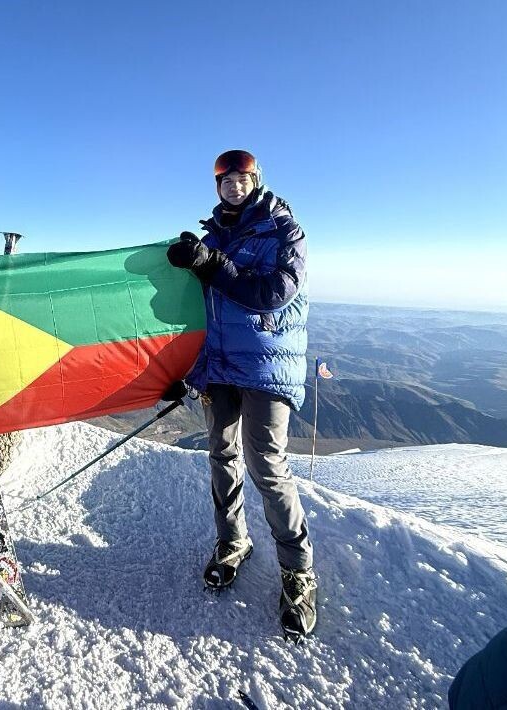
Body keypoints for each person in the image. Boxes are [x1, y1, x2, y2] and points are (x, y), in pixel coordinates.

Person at [166, 149, 316, 639]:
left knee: (267, 465)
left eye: (241, 178)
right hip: (220, 366)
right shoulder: (210, 237)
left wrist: (212, 264)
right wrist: (185, 369)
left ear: (256, 181)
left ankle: (298, 571)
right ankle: (233, 541)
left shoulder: (283, 230)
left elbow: (274, 292)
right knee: (221, 454)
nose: (232, 185)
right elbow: (196, 315)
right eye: (224, 180)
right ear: (217, 188)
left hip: (267, 365)